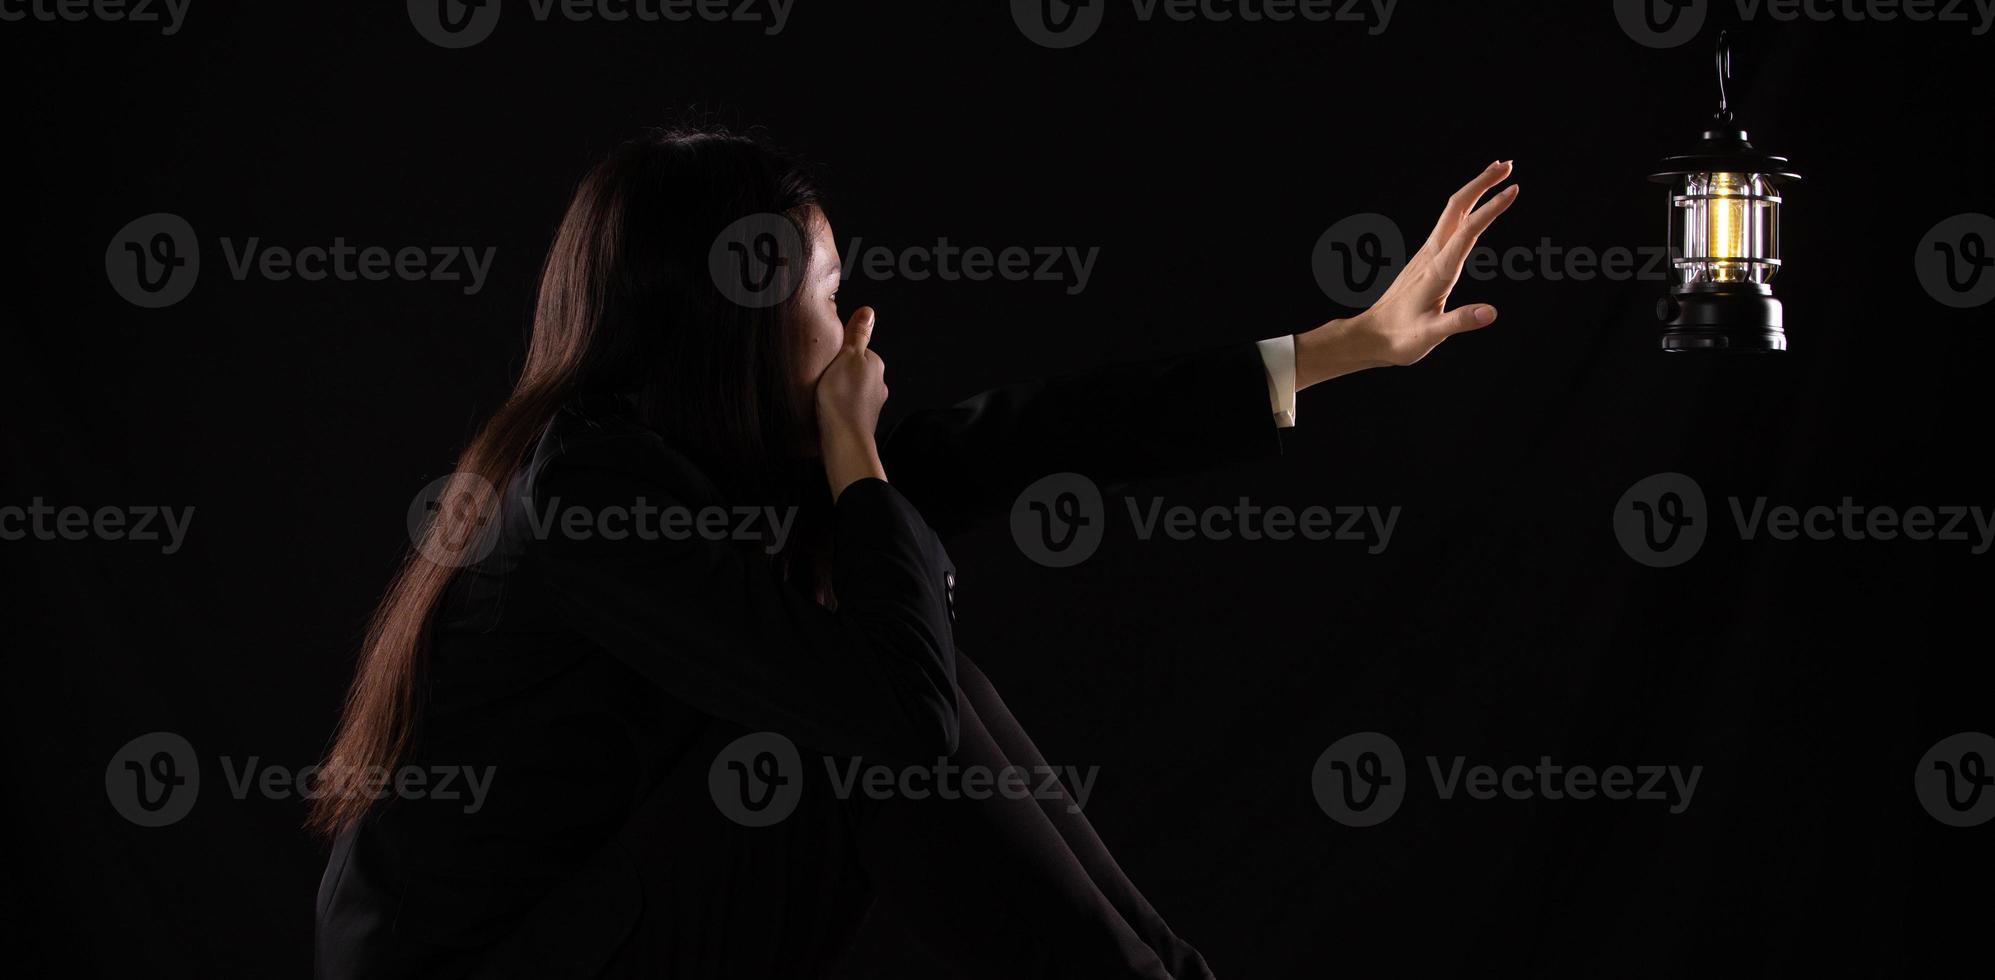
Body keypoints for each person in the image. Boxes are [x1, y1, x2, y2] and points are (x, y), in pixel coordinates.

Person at [310, 126, 1518, 979]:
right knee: (868, 728)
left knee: (905, 686)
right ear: (736, 314)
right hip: (494, 961)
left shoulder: (702, 458)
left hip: (592, 920)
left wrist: (1347, 344)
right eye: (832, 295)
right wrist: (853, 453)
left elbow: (1025, 433)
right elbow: (900, 715)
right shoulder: (588, 492)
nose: (855, 328)